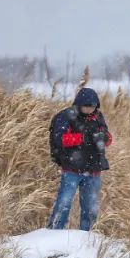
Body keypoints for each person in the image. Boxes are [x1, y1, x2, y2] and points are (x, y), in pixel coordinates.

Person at [47, 87, 113, 231]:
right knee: (64, 204)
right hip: (71, 169)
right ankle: (53, 233)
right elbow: (59, 139)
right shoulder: (67, 116)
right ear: (79, 104)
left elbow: (108, 139)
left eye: (93, 106)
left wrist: (104, 137)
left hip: (94, 169)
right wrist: (82, 138)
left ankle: (87, 236)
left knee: (91, 209)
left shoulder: (98, 117)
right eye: (87, 106)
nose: (90, 109)